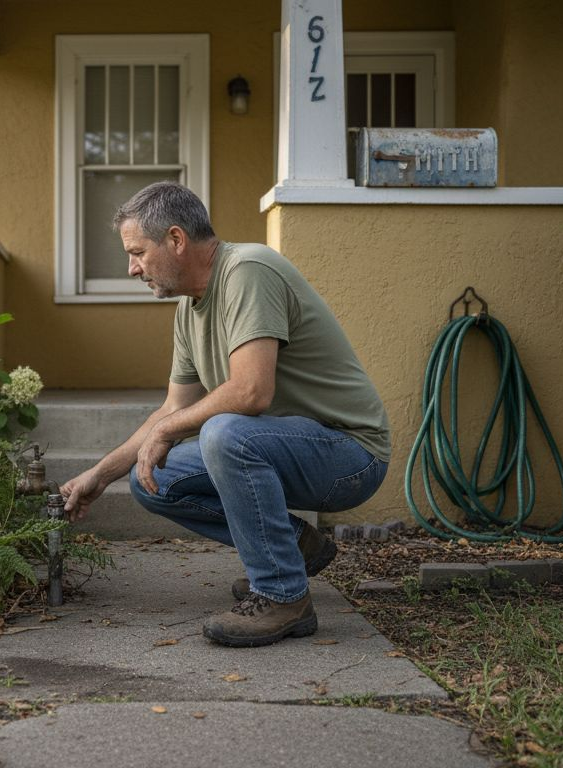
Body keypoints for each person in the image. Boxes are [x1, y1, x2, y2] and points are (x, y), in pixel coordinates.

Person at [59, 181, 390, 648]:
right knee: (152, 478)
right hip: (289, 446)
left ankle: (282, 596)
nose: (131, 268)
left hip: (350, 454)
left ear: (176, 240)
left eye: (137, 253)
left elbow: (251, 391)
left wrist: (171, 429)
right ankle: (291, 548)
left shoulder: (247, 270)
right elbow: (172, 408)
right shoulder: (188, 310)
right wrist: (98, 475)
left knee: (225, 433)